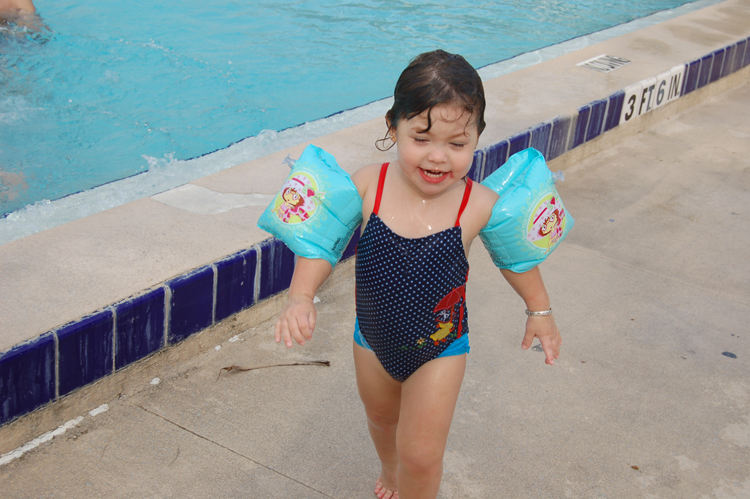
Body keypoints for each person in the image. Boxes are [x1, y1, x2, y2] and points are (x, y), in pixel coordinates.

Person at [274, 49, 562, 499]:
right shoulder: (370, 183)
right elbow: (320, 242)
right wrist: (300, 296)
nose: (438, 157)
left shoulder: (479, 204)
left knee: (423, 456)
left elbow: (516, 259)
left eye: (457, 144)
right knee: (383, 422)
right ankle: (390, 471)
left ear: (478, 138)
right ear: (393, 126)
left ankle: (408, 476)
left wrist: (539, 310)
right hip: (372, 338)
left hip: (441, 347)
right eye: (422, 138)